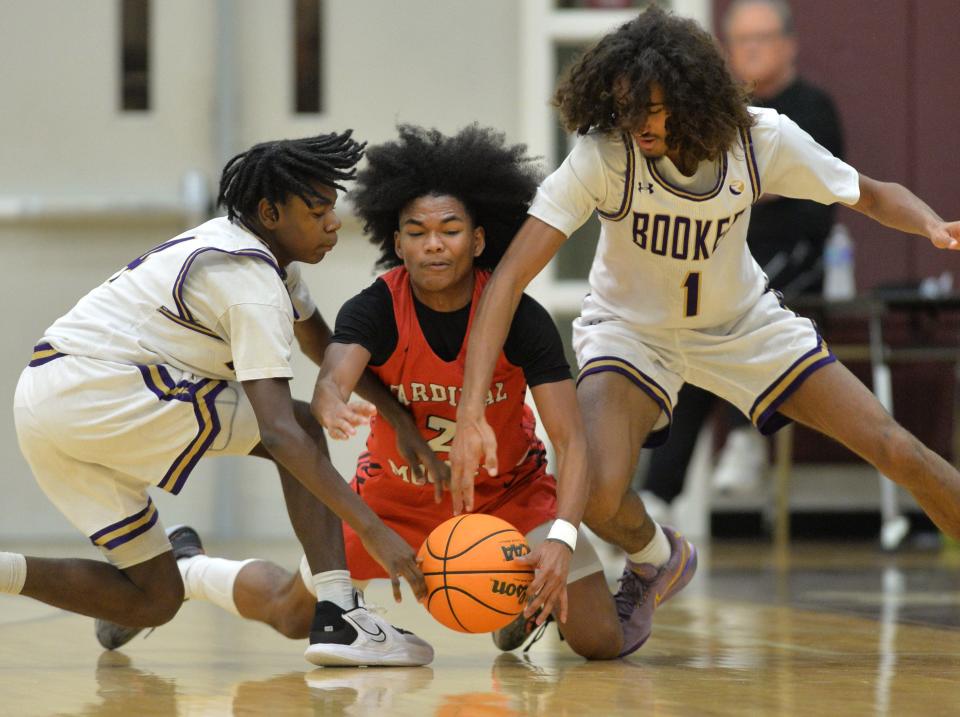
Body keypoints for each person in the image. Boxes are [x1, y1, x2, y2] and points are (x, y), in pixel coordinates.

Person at [450, 4, 960, 654]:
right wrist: (469, 407)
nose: (637, 124)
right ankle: (659, 555)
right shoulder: (603, 156)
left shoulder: (759, 138)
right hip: (631, 331)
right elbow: (508, 277)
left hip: (742, 323)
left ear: (693, 98)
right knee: (601, 496)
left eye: (653, 109)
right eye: (625, 106)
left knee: (897, 448)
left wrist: (931, 225)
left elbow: (871, 192)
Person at [184, 125, 627, 659]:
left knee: (600, 641)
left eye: (450, 230)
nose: (433, 244)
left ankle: (508, 603)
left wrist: (562, 537)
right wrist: (328, 399)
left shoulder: (521, 318)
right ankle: (189, 568)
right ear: (398, 244)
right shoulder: (374, 308)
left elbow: (573, 442)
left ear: (479, 240)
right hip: (393, 501)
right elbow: (333, 375)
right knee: (293, 613)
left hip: (512, 496)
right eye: (416, 232)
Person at [4, 131, 433, 667]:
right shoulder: (248, 281)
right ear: (270, 212)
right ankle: (340, 614)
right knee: (298, 426)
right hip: (99, 389)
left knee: (154, 599)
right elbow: (279, 432)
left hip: (42, 405)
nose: (332, 222)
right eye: (317, 209)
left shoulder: (249, 247)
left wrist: (397, 417)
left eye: (331, 208)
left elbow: (320, 342)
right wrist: (372, 529)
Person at [640, 0, 846, 511]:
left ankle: (745, 436)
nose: (751, 49)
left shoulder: (813, 107)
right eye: (741, 40)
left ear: (789, 43)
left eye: (762, 38)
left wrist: (739, 181)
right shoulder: (718, 112)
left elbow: (787, 184)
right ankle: (656, 496)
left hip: (795, 261)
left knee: (739, 307)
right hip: (725, 256)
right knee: (688, 334)